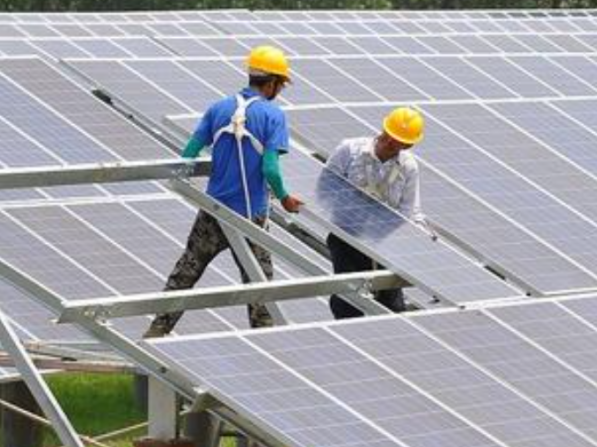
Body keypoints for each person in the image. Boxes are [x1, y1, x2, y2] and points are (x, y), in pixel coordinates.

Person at [144, 45, 304, 338]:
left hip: (213, 210)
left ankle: (158, 329)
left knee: (187, 271)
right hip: (250, 216)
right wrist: (285, 198)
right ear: (271, 83)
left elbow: (188, 155)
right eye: (281, 84)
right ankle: (266, 341)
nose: (280, 90)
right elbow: (270, 168)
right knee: (259, 287)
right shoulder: (273, 115)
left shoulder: (218, 108)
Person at [325, 107, 428, 319]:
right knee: (349, 299)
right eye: (388, 135)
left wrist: (422, 234)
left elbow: (409, 211)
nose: (390, 142)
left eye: (398, 141)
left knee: (393, 306)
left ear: (408, 145)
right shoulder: (349, 150)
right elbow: (325, 186)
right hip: (347, 236)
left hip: (385, 242)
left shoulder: (408, 167)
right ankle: (348, 331)